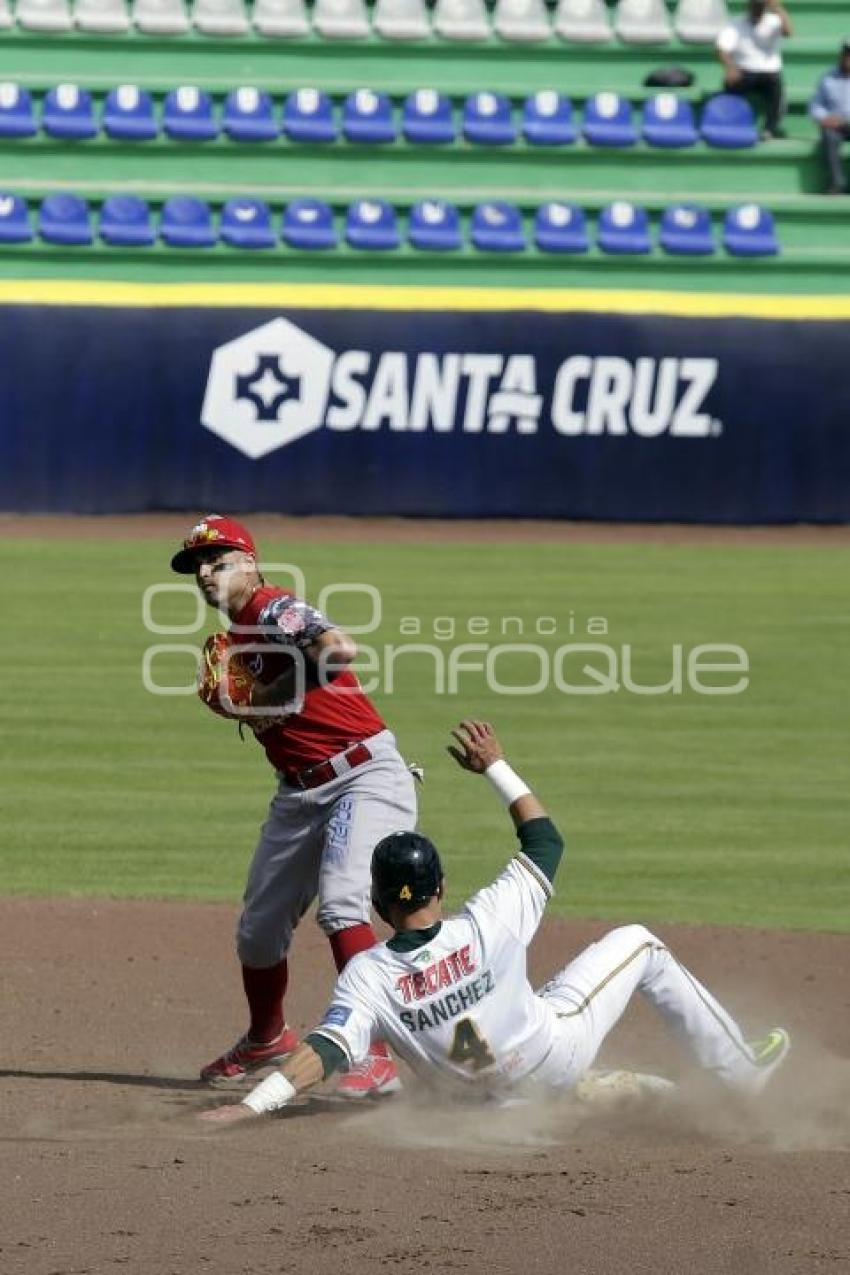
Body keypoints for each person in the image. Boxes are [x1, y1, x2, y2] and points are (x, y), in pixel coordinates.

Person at [200, 720, 790, 1125]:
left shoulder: (367, 976)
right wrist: (494, 765)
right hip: (550, 1057)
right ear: (442, 886)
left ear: (377, 905)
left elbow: (325, 1050)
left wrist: (253, 1106)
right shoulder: (488, 921)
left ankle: (606, 1096)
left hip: (476, 1107)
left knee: (442, 1053)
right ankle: (738, 1074)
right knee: (639, 944)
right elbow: (545, 840)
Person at [170, 514, 417, 1096]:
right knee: (258, 933)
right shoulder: (234, 640)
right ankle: (266, 1039)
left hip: (364, 774)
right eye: (198, 567)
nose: (206, 574)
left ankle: (373, 1053)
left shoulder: (275, 608)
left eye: (220, 561)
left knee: (342, 906)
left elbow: (340, 648)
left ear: (251, 564)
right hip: (299, 792)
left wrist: (274, 692)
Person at [716, 0, 793, 140]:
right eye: (754, 6)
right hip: (744, 70)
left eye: (760, 6)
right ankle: (729, 123)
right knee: (730, 83)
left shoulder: (774, 21)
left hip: (768, 71)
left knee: (777, 91)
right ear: (748, 6)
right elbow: (722, 49)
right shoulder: (736, 24)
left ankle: (770, 129)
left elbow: (788, 32)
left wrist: (777, 7)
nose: (757, 9)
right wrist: (730, 67)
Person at [810, 39, 850, 194]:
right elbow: (815, 106)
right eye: (846, 54)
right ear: (841, 55)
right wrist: (824, 118)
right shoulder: (828, 77)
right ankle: (837, 182)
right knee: (828, 136)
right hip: (836, 125)